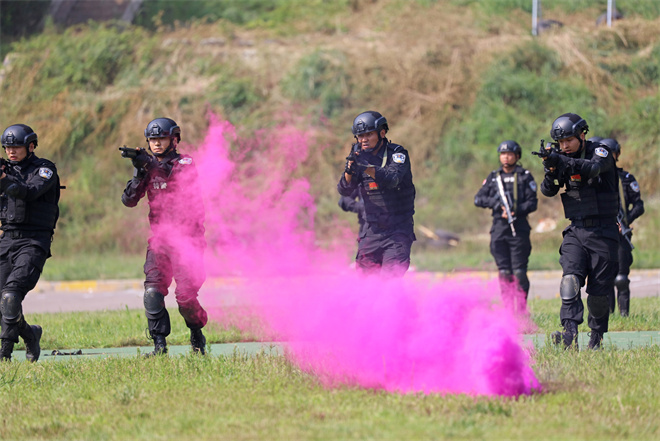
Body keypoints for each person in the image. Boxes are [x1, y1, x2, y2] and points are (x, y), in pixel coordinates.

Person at [121, 117, 208, 356]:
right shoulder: (148, 167)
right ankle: (159, 346)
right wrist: (140, 170)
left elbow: (173, 177)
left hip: (188, 240)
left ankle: (196, 332)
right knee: (152, 292)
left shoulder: (185, 163)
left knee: (186, 297)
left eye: (161, 138)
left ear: (174, 139)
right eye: (152, 139)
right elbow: (128, 200)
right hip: (160, 241)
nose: (156, 144)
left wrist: (148, 164)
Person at [538, 113, 619, 350]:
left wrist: (562, 162)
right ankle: (569, 333)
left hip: (603, 233)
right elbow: (548, 191)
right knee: (569, 281)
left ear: (582, 135)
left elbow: (593, 169)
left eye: (568, 141)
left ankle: (596, 338)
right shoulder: (563, 158)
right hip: (576, 230)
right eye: (561, 143)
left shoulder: (600, 152)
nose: (564, 147)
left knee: (598, 294)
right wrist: (551, 169)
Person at [0, 124, 60, 362]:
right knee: (3, 303)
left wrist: (3, 178)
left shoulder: (44, 169)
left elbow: (28, 191)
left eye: (16, 146)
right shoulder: (4, 169)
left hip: (34, 241)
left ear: (31, 146)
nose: (11, 151)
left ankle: (4, 354)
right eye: (7, 147)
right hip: (6, 240)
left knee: (11, 296)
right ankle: (30, 333)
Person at [337, 111, 415, 277]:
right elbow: (344, 191)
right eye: (360, 136)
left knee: (389, 282)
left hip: (397, 231)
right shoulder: (359, 156)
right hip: (371, 231)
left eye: (368, 134)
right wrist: (350, 169)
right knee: (366, 285)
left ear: (382, 133)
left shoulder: (397, 154)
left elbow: (392, 179)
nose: (363, 140)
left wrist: (365, 166)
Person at [474, 140, 538, 311]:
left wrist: (516, 210)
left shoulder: (524, 176)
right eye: (503, 154)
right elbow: (478, 199)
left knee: (519, 273)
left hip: (519, 230)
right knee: (504, 273)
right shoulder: (494, 177)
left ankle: (522, 310)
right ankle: (508, 310)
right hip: (499, 229)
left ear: (517, 156)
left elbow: (533, 203)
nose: (506, 157)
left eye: (509, 154)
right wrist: (497, 205)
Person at [599, 138, 644, 317]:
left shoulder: (626, 179)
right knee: (605, 278)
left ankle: (624, 315)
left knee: (621, 278)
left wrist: (625, 221)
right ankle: (608, 316)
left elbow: (639, 205)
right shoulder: (597, 178)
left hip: (621, 234)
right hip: (602, 232)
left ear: (617, 154)